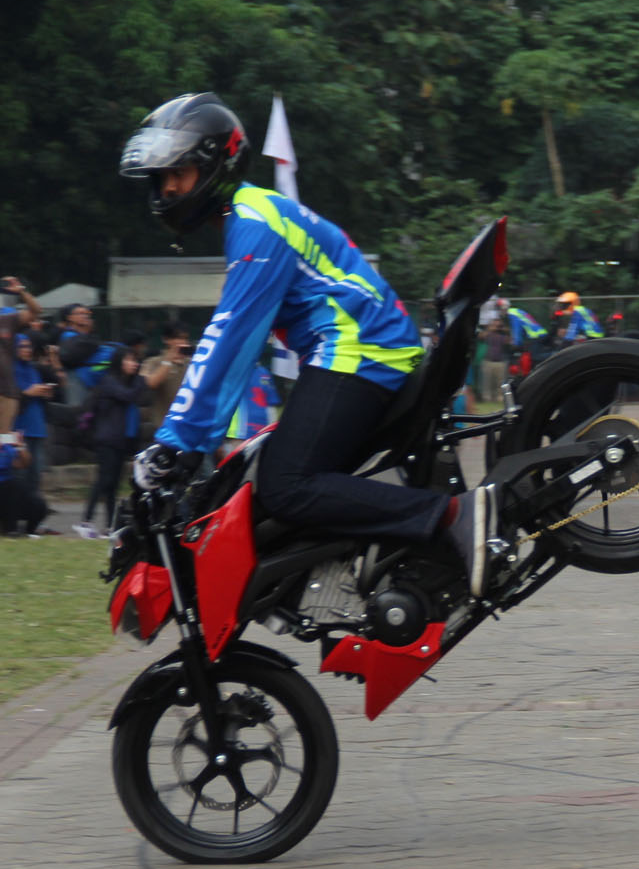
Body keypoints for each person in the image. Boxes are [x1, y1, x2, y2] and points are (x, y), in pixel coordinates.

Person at [120, 92, 498, 593]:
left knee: (285, 485)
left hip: (358, 349)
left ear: (216, 166)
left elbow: (230, 337)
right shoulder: (249, 216)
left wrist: (175, 444)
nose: (168, 189)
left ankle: (453, 517)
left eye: (179, 174)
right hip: (354, 349)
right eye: (162, 178)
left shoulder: (255, 226)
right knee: (264, 484)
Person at [76, 344, 152, 536]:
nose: (133, 363)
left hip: (119, 440)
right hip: (106, 439)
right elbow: (129, 396)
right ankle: (86, 521)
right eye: (128, 359)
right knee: (104, 480)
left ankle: (110, 525)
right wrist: (141, 379)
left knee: (113, 485)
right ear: (118, 362)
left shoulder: (125, 382)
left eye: (134, 360)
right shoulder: (109, 381)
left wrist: (138, 380)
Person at [10, 330, 55, 510]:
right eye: (22, 346)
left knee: (35, 474)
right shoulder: (10, 370)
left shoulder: (33, 369)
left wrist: (44, 392)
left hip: (37, 427)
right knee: (20, 473)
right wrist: (28, 392)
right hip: (19, 429)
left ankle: (32, 513)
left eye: (28, 346)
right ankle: (17, 515)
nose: (26, 350)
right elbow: (9, 399)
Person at [141, 322, 192, 443]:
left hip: (189, 428)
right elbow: (150, 383)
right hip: (163, 429)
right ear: (166, 339)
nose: (182, 342)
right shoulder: (153, 362)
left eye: (185, 338)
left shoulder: (193, 363)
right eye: (178, 337)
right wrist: (168, 361)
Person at [0, 432, 48, 538]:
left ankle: (30, 532)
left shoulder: (6, 441)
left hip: (8, 490)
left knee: (38, 503)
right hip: (7, 489)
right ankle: (10, 529)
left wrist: (21, 446)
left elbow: (24, 463)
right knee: (14, 486)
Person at [500, 297, 550, 377]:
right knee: (533, 358)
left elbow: (517, 330)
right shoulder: (516, 311)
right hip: (538, 334)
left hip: (536, 335)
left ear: (503, 308)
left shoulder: (512, 314)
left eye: (499, 309)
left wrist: (515, 343)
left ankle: (555, 356)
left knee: (535, 356)